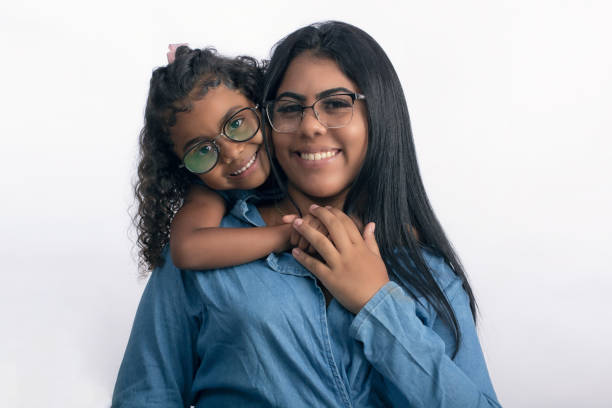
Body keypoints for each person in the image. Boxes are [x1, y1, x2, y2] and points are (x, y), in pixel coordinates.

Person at [113, 21, 501, 407]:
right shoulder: (205, 252)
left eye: (335, 104)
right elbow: (146, 395)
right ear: (267, 117)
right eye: (290, 108)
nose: (311, 126)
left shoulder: (426, 272)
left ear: (379, 113)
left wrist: (377, 304)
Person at [135, 45, 322, 276]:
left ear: (260, 104)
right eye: (202, 150)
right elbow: (187, 248)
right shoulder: (209, 191)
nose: (231, 153)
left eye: (236, 123)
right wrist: (287, 234)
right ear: (180, 166)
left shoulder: (304, 146)